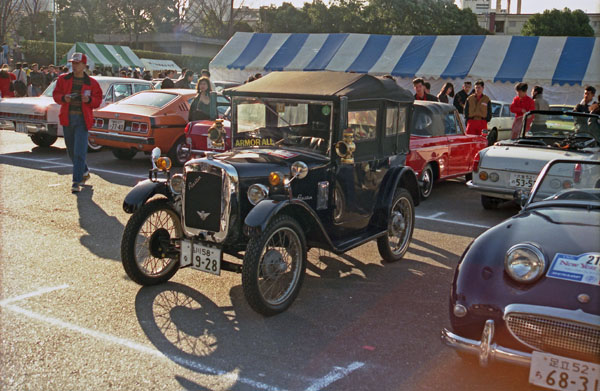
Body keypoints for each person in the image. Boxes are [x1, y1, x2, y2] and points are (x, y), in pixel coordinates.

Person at [52, 52, 102, 193]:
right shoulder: (63, 79)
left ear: (84, 65)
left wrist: (89, 100)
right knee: (71, 151)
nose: (74, 66)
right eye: (73, 63)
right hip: (67, 118)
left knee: (80, 151)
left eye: (77, 63)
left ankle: (76, 181)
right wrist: (64, 98)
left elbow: (98, 100)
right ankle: (84, 171)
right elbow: (56, 95)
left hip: (82, 120)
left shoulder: (92, 83)